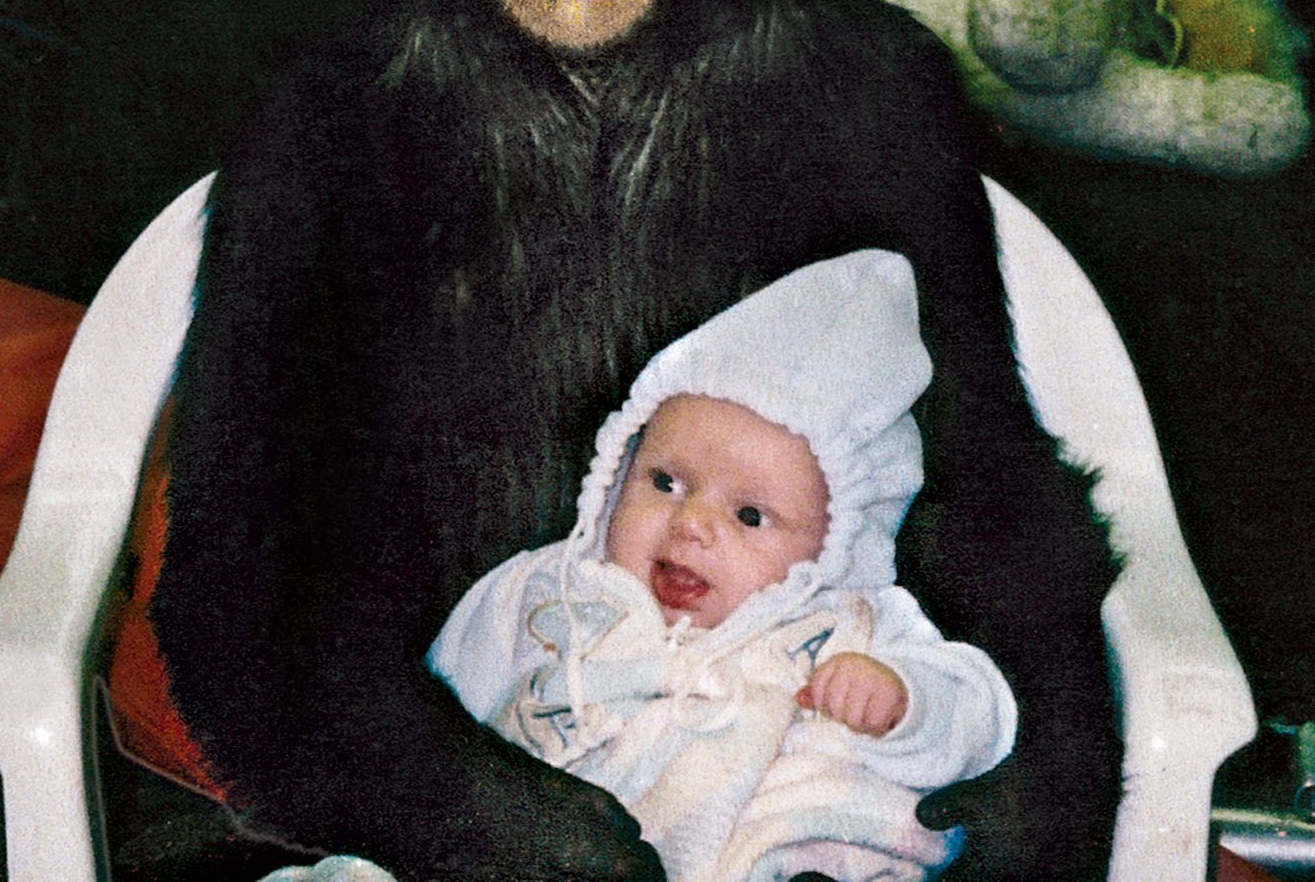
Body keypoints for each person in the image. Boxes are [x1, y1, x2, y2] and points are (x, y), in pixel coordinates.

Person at [426, 251, 1017, 882]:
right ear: (620, 466)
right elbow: (441, 731)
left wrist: (903, 702)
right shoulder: (546, 594)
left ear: (838, 542)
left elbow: (982, 717)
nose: (692, 524)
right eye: (667, 482)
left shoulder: (853, 626)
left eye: (750, 516)